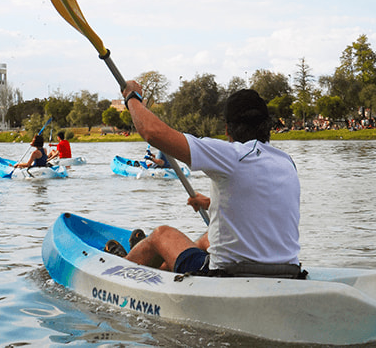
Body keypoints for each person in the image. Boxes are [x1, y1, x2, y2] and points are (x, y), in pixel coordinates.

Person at [106, 81, 302, 278]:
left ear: (227, 129)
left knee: (161, 235)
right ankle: (157, 270)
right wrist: (210, 203)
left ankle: (118, 274)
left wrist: (132, 98)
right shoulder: (286, 162)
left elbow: (152, 133)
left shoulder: (232, 154)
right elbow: (260, 202)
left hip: (228, 274)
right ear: (267, 126)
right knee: (205, 241)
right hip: (288, 271)